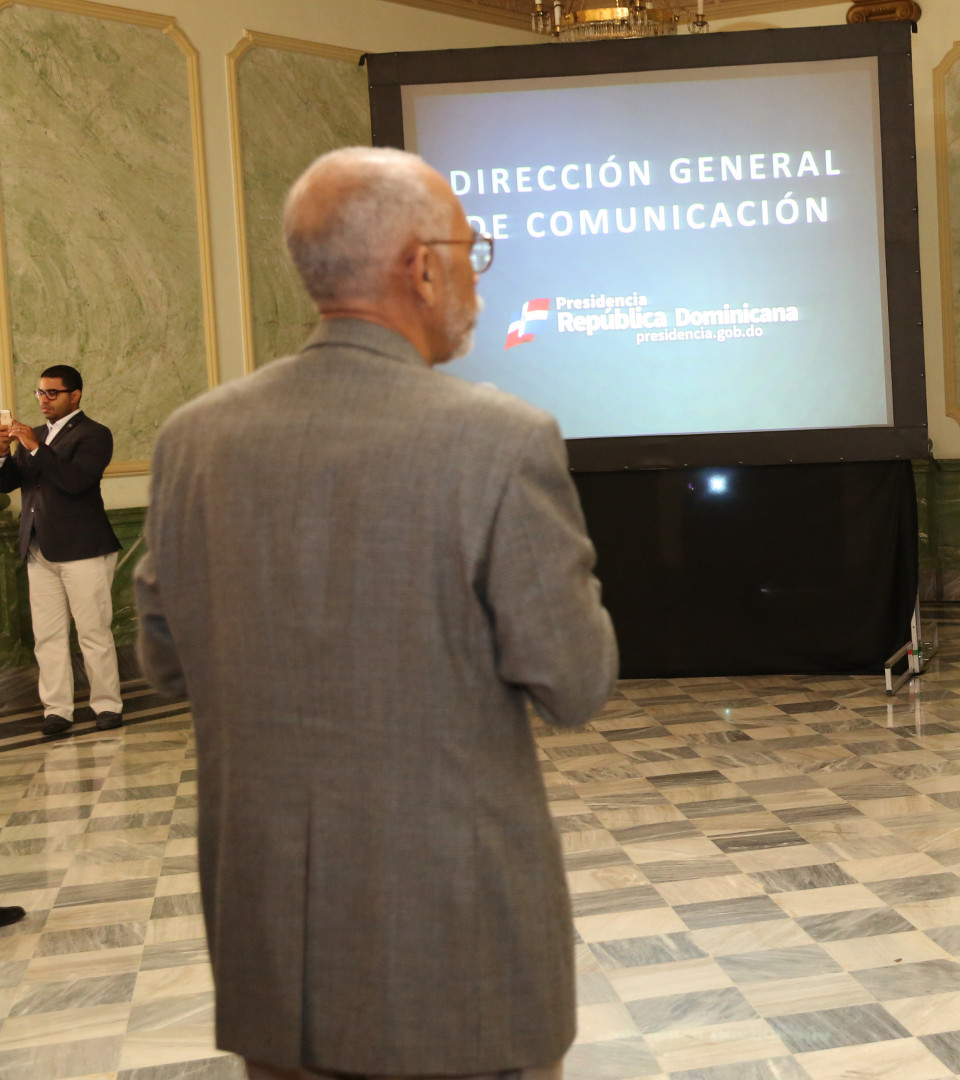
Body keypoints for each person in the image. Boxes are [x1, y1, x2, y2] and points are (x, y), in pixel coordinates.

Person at [134, 147, 618, 1080]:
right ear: (421, 268)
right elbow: (577, 682)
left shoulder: (193, 438)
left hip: (274, 950)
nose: (478, 280)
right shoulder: (500, 439)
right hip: (457, 955)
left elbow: (164, 660)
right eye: (472, 253)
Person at [0, 364, 123, 736]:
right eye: (40, 392)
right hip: (38, 549)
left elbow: (75, 481)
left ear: (75, 395)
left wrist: (35, 448)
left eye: (52, 393)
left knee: (93, 632)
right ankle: (57, 710)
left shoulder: (95, 434)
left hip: (84, 549)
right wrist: (3, 453)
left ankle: (107, 705)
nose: (44, 399)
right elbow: (7, 484)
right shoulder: (35, 435)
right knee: (47, 636)